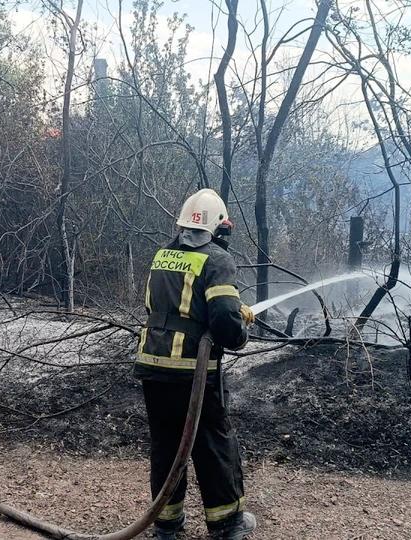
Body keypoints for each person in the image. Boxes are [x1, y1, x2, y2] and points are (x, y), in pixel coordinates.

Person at [135, 189, 257, 540]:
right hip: (193, 372)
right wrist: (240, 324)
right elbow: (224, 325)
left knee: (166, 446)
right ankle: (227, 524)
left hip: (153, 368)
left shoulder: (162, 256)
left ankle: (167, 525)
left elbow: (157, 308)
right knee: (212, 443)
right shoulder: (217, 260)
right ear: (220, 226)